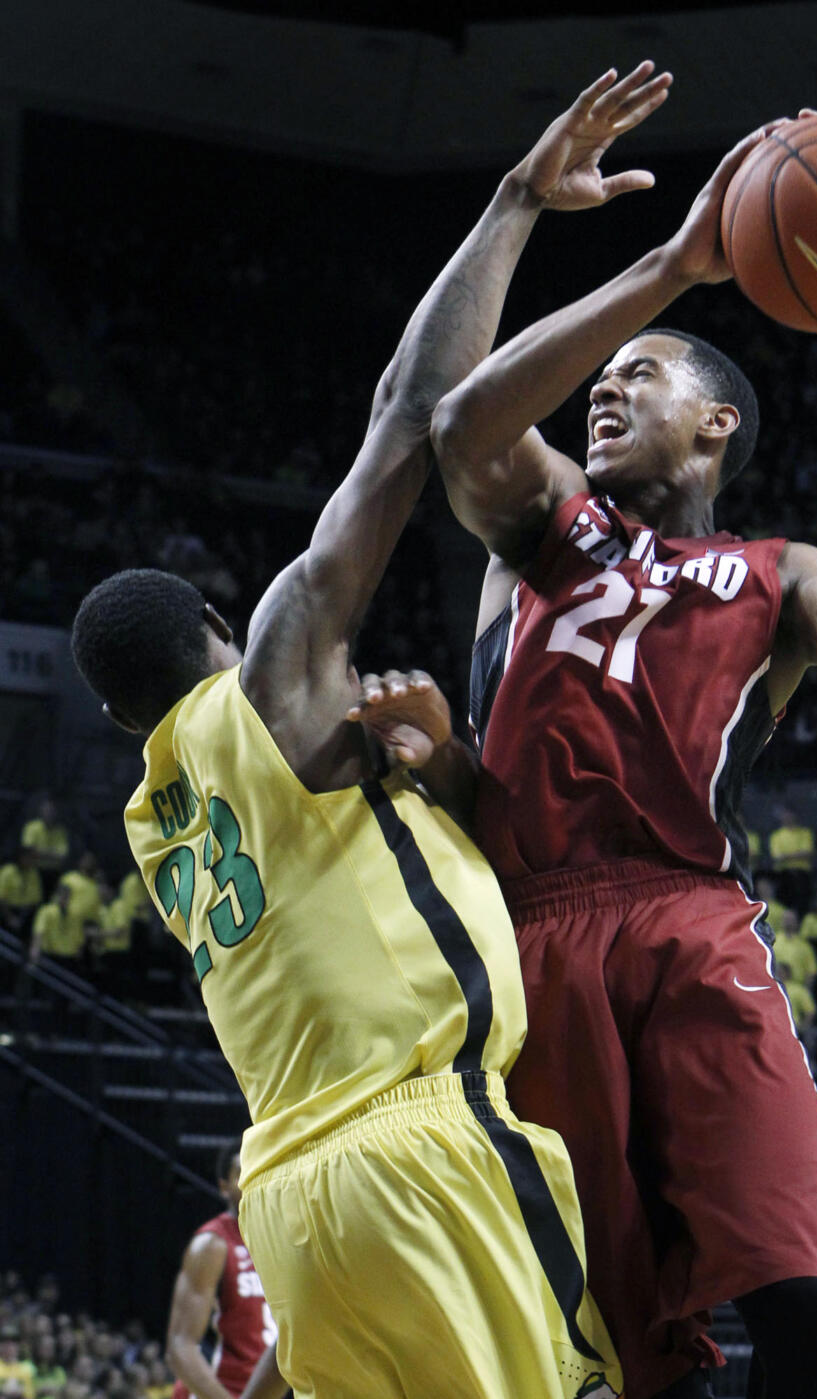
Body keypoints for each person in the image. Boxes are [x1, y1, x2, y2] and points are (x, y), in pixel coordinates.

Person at [68, 66, 681, 1399]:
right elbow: (408, 413)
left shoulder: (158, 806)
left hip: (290, 1199)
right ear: (225, 628)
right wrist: (518, 200)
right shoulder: (269, 684)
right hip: (421, 1150)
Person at [424, 94, 817, 1397]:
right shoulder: (540, 531)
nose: (604, 389)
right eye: (599, 381)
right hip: (525, 937)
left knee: (797, 1298)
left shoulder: (773, 576)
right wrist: (648, 257)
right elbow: (456, 425)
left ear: (718, 422)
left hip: (690, 923)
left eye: (641, 374)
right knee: (616, 1353)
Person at [166, 1142, 277, 1399]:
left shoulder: (279, 1239)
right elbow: (180, 1346)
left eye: (257, 1168)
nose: (251, 1178)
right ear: (223, 1186)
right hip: (220, 1391)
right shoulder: (212, 1245)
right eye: (241, 1172)